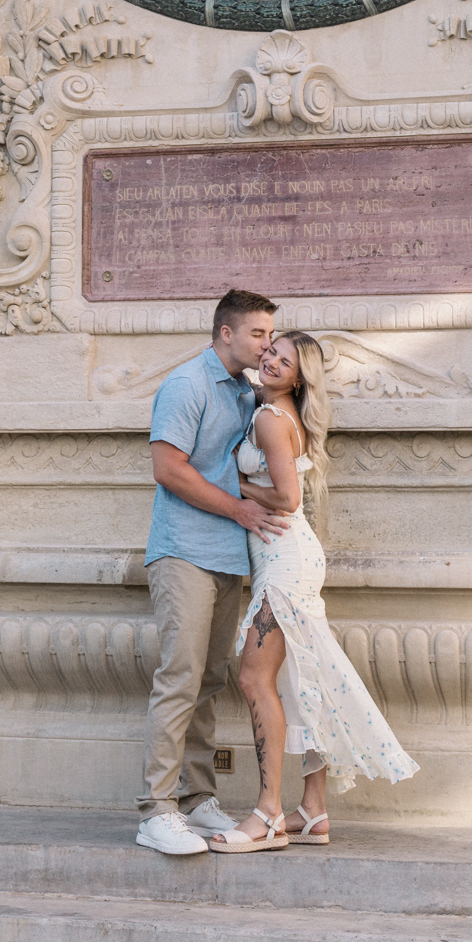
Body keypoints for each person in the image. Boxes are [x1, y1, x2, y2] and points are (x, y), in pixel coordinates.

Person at [208, 329, 418, 853]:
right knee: (303, 683)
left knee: (256, 679)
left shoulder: (270, 420)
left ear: (301, 376)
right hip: (290, 559)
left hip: (284, 563)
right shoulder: (274, 412)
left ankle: (266, 814)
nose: (273, 362)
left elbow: (286, 497)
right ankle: (313, 810)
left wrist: (233, 488)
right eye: (271, 353)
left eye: (285, 360)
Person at [137, 288, 289, 857]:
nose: (266, 345)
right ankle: (156, 810)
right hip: (183, 552)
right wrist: (240, 508)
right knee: (179, 678)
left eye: (271, 336)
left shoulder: (249, 394)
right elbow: (167, 469)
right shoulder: (186, 385)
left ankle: (198, 799)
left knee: (208, 682)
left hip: (230, 555)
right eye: (257, 334)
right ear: (225, 333)